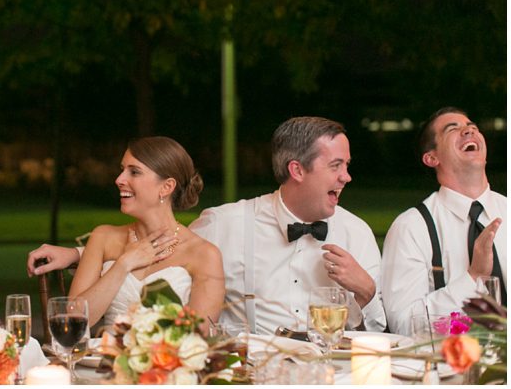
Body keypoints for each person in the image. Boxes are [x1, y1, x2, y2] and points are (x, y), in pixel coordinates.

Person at [28, 117, 386, 335]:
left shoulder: (357, 233)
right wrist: (80, 254)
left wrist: (367, 291)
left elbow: (378, 329)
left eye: (346, 165)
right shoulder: (226, 224)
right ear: (297, 170)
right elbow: (162, 246)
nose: (347, 176)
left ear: (167, 186)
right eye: (337, 166)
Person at [67, 137, 224, 332]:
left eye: (134, 172)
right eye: (122, 170)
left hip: (171, 352)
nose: (119, 180)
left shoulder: (204, 254)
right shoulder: (103, 237)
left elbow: (198, 335)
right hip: (106, 351)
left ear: (166, 187)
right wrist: (124, 264)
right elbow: (73, 322)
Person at [381, 107, 506, 336]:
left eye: (472, 127)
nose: (469, 130)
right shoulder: (412, 227)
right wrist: (472, 277)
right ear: (431, 158)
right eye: (453, 129)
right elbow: (405, 325)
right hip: (448, 358)